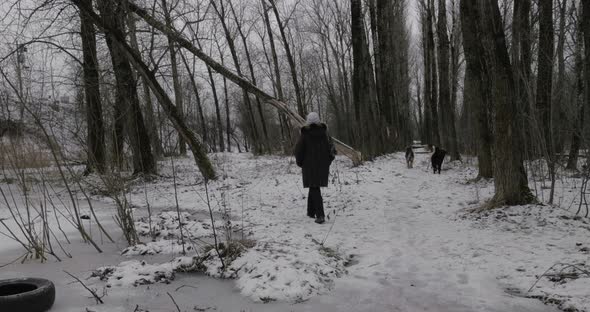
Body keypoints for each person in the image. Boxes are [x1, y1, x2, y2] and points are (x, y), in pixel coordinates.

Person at [294, 112, 336, 224]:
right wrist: (327, 162)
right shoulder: (325, 134)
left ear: (308, 121)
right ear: (318, 121)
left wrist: (300, 162)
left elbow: (298, 151)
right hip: (322, 166)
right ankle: (310, 211)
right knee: (313, 186)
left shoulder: (305, 134)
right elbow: (332, 150)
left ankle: (320, 215)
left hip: (309, 166)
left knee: (314, 187)